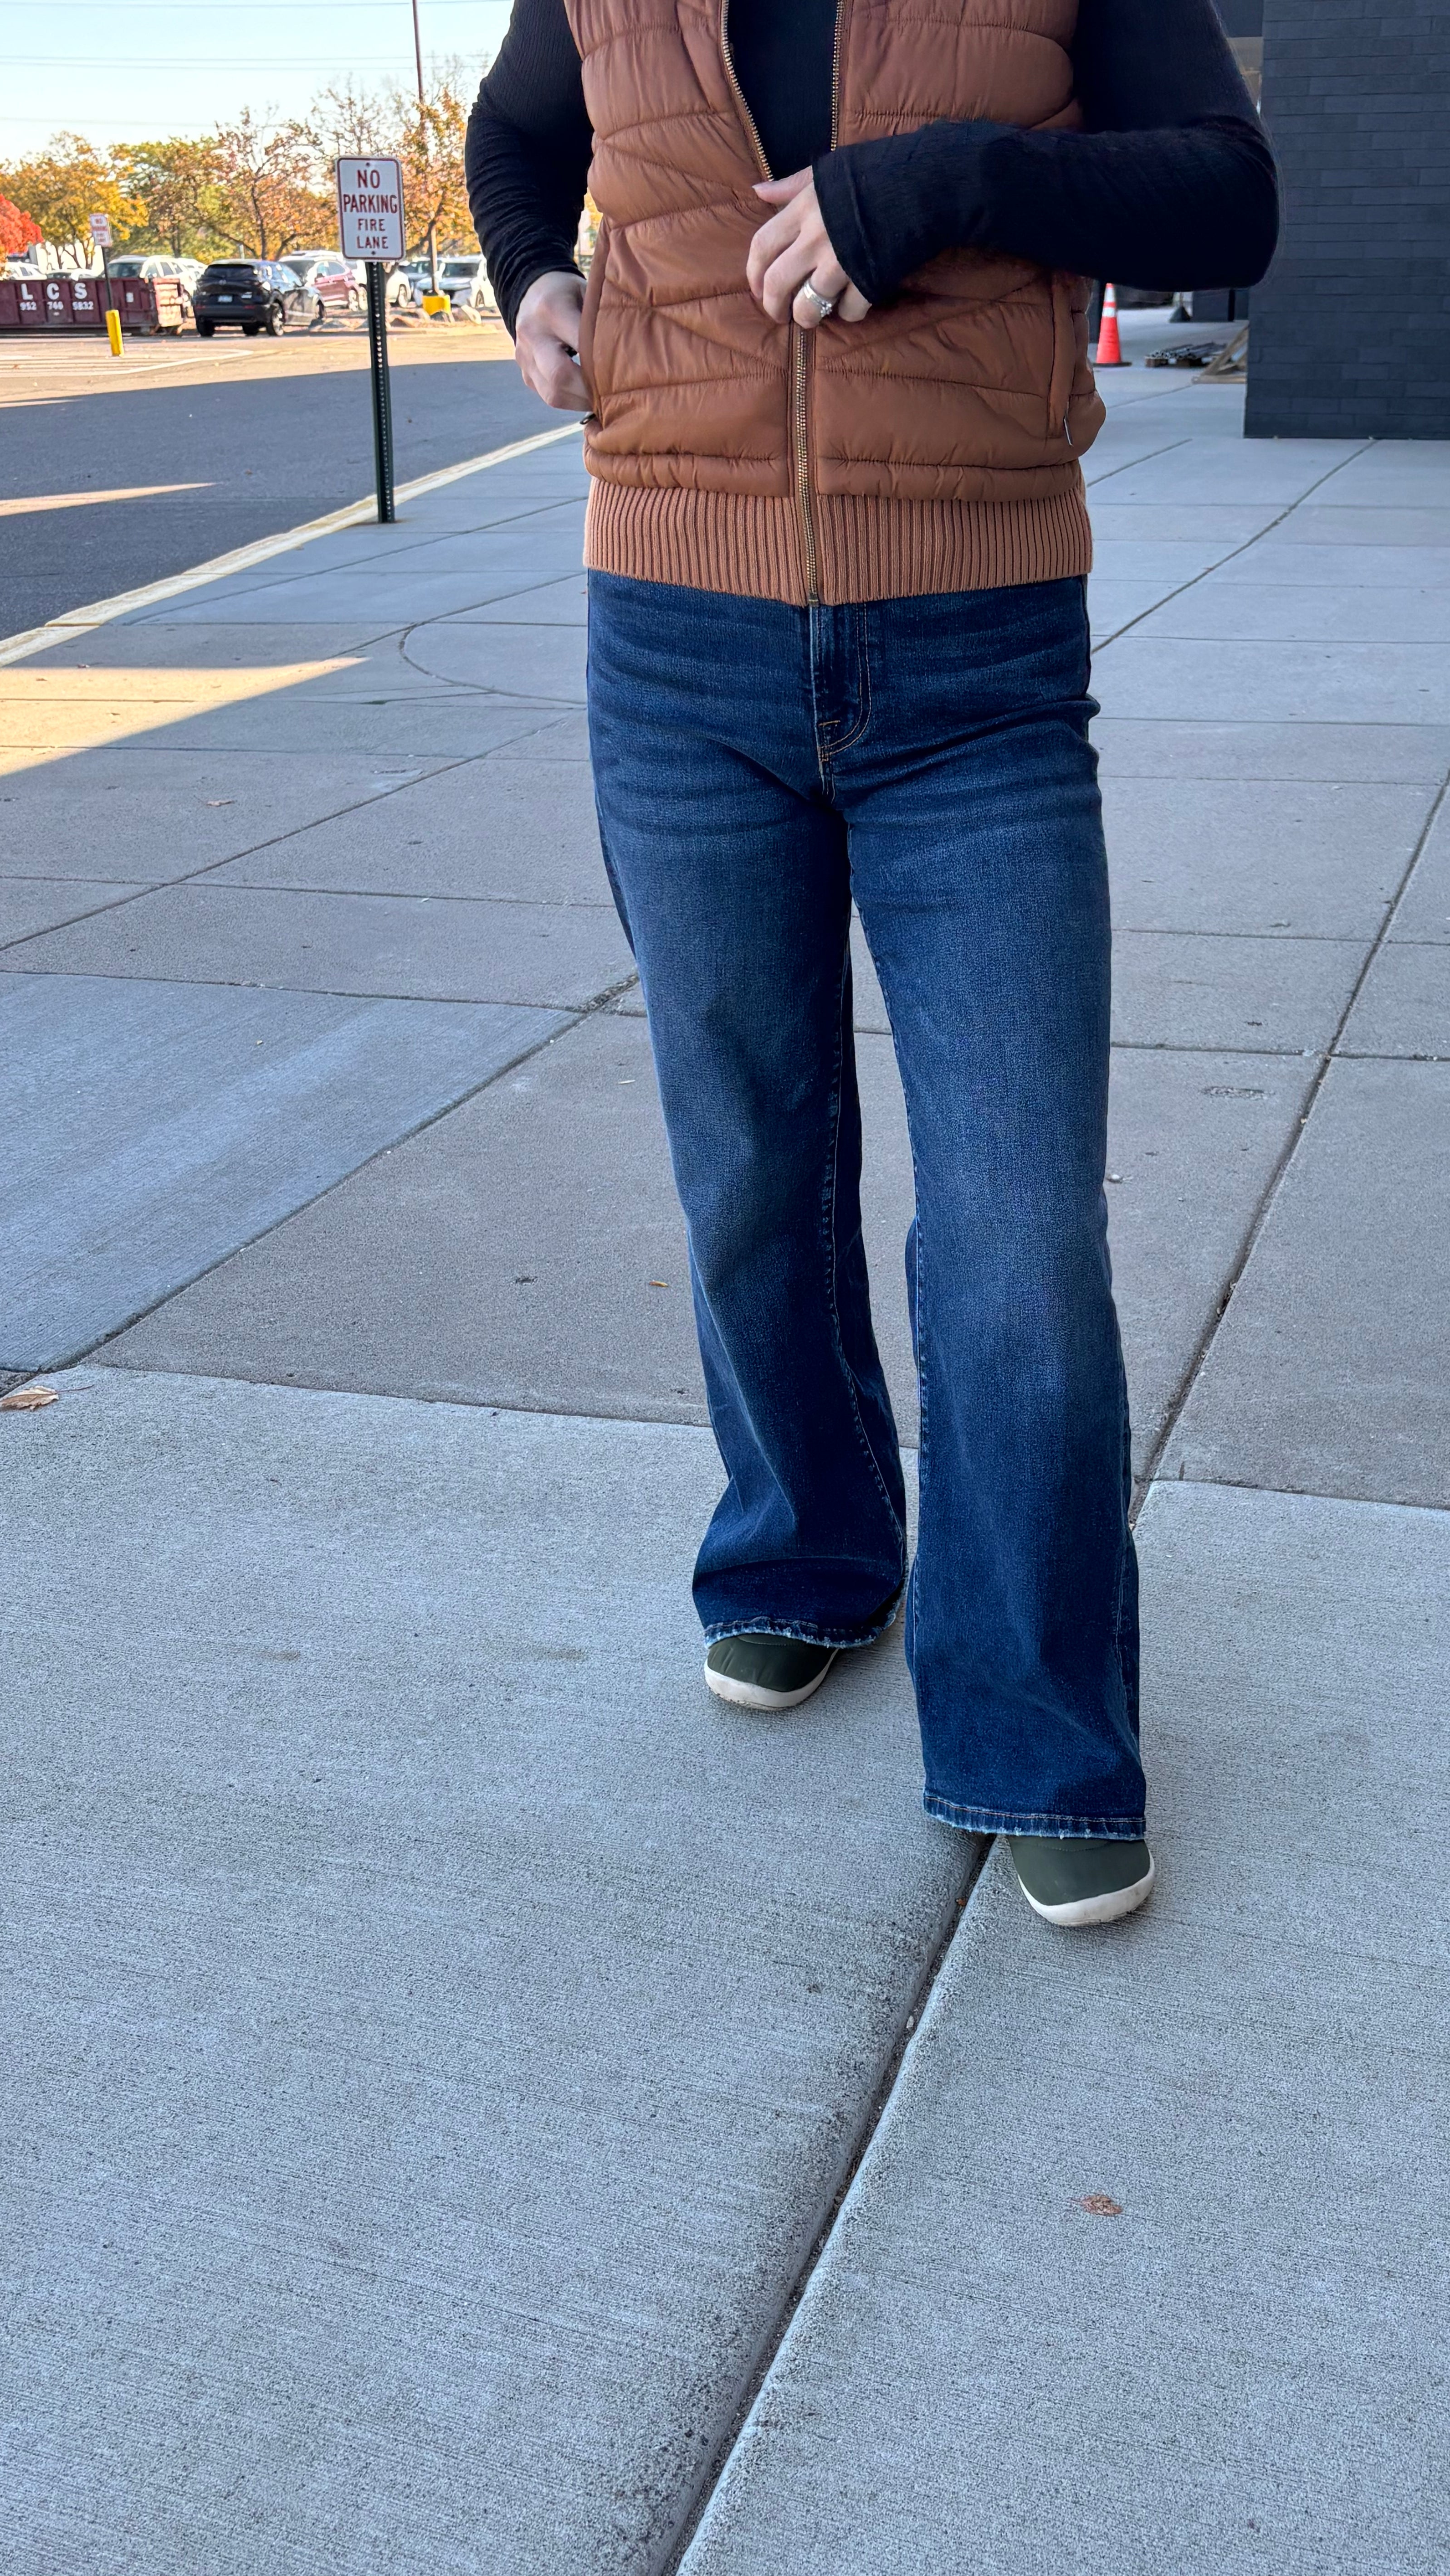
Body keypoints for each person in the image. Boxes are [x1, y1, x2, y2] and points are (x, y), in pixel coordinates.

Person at [466, 0, 1278, 1929]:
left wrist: (949, 181)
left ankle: (1032, 1716)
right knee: (748, 1157)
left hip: (976, 655)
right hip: (672, 638)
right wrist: (530, 283)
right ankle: (805, 1551)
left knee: (1017, 1220)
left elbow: (1227, 201)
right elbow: (519, 130)